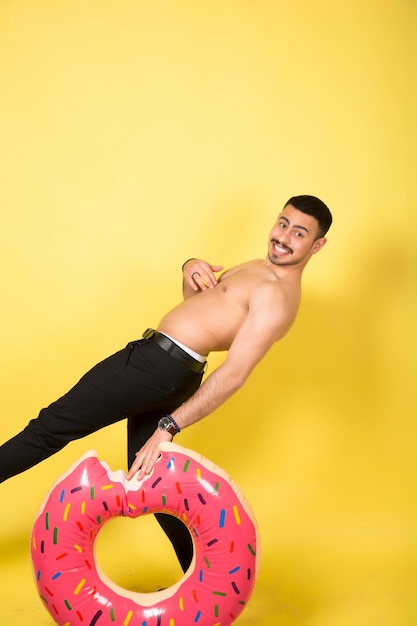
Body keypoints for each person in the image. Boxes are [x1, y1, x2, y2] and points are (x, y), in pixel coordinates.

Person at [0, 194, 332, 571]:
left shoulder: (275, 297)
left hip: (156, 367)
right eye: (283, 223)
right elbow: (200, 309)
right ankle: (207, 589)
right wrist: (189, 268)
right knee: (151, 485)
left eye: (299, 233)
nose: (283, 237)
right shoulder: (261, 268)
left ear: (317, 245)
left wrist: (168, 427)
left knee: (49, 427)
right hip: (170, 369)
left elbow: (236, 372)